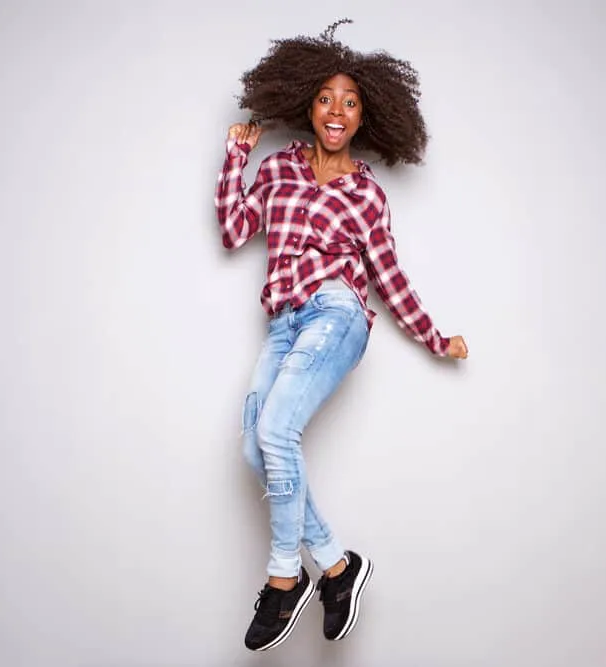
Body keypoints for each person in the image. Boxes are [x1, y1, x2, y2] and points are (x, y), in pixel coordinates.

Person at [214, 19, 468, 652]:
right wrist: (235, 159)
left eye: (350, 102)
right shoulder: (278, 169)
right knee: (256, 449)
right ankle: (334, 566)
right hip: (282, 322)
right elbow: (233, 231)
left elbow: (388, 277)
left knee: (276, 432)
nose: (336, 109)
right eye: (326, 97)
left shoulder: (367, 197)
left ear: (364, 118)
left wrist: (437, 338)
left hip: (337, 314)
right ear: (308, 103)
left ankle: (282, 579)